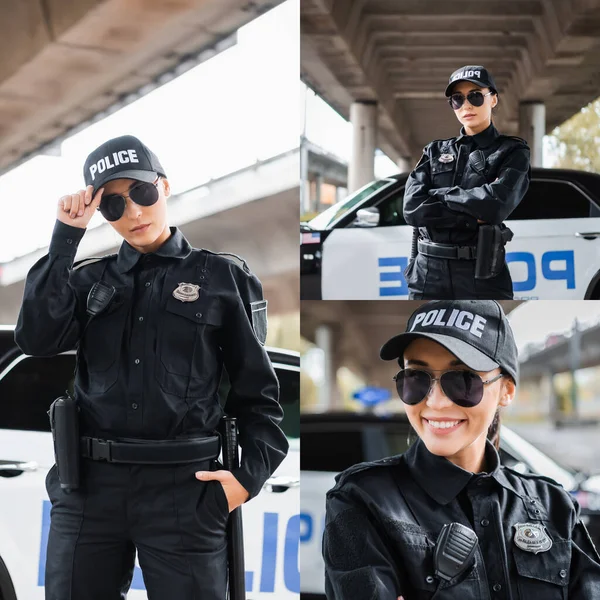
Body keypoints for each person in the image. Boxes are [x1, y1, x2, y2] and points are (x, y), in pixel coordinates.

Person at [15, 134, 288, 600]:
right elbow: (35, 338)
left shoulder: (221, 277)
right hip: (88, 491)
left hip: (185, 493)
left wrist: (245, 480)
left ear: (163, 186)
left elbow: (258, 393)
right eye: (113, 205)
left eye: (140, 193)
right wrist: (65, 239)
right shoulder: (86, 280)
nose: (133, 212)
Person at [323, 300, 600, 599]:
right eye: (416, 378)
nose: (436, 402)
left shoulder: (554, 505)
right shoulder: (361, 500)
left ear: (506, 390)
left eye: (464, 380)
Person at [403, 66, 531, 300]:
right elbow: (412, 208)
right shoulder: (434, 151)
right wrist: (473, 211)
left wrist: (440, 195)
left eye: (475, 96)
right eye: (457, 99)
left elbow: (495, 206)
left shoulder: (512, 151)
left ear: (493, 99)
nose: (466, 105)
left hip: (482, 274)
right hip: (427, 273)